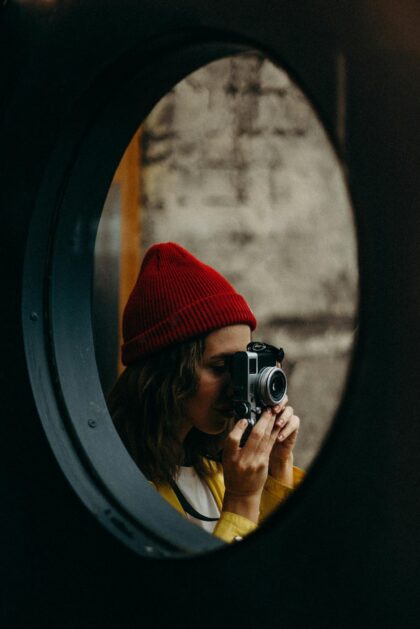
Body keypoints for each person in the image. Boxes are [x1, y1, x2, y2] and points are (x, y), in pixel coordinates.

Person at [108, 242, 304, 543]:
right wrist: (240, 500)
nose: (236, 385)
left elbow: (276, 576)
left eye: (242, 365)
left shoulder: (220, 470)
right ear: (167, 372)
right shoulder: (115, 483)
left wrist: (276, 468)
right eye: (219, 366)